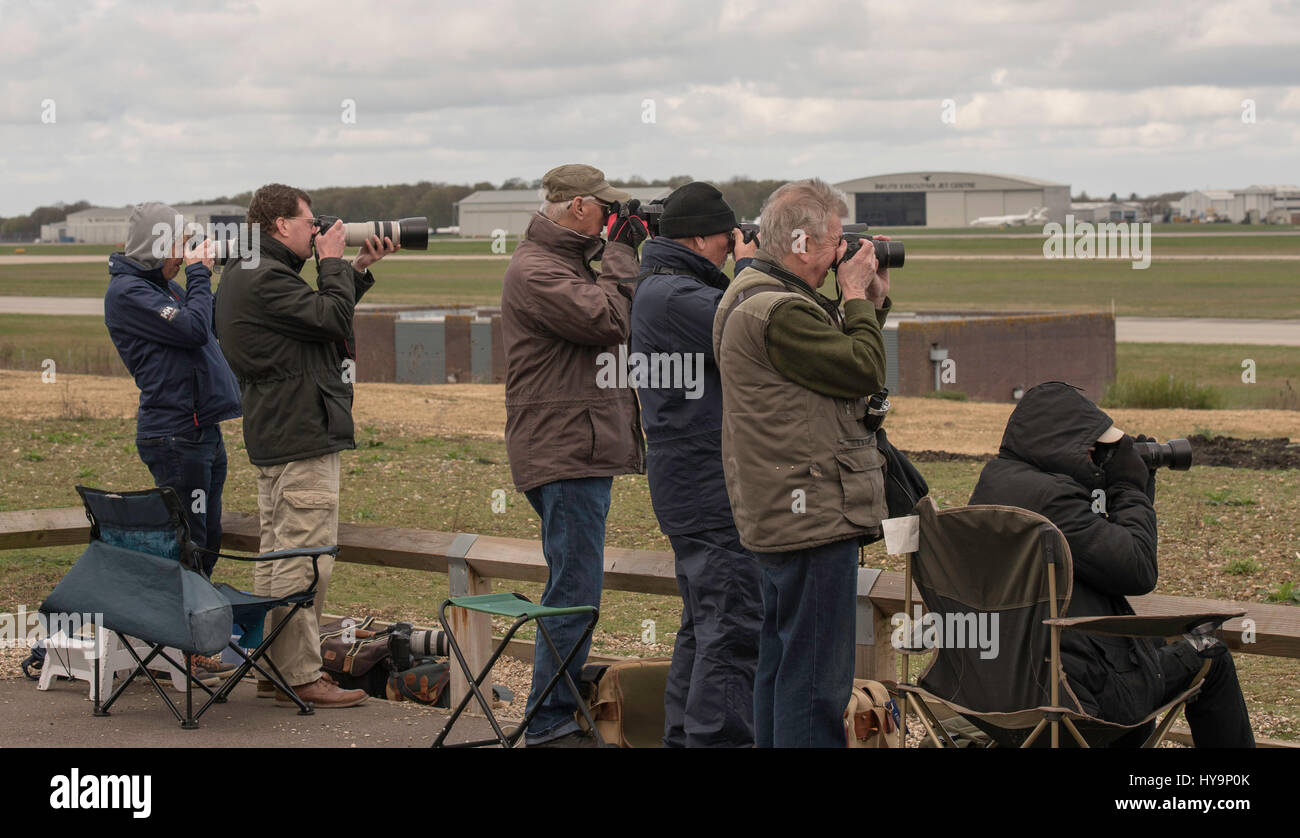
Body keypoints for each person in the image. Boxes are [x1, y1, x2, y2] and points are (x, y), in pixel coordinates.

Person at [968, 381, 1254, 747]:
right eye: (1095, 450)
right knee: (1210, 653)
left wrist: (1132, 494)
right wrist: (1130, 489)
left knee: (1140, 669)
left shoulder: (993, 484)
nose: (1096, 457)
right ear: (1069, 446)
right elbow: (1137, 571)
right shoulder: (1055, 501)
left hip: (990, 690)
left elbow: (1102, 561)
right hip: (1072, 696)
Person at [712, 178, 893, 748]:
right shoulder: (778, 311)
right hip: (811, 516)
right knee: (816, 679)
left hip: (784, 510)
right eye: (836, 242)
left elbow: (833, 360)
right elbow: (863, 368)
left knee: (784, 663)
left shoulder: (760, 295)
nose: (844, 253)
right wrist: (857, 297)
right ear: (798, 242)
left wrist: (871, 301)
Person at [214, 183, 397, 709]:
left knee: (278, 554)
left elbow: (313, 323)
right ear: (280, 225)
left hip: (278, 430)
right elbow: (331, 319)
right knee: (307, 559)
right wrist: (333, 263)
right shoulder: (265, 277)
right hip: (300, 432)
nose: (316, 229)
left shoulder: (248, 273)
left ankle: (275, 669)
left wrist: (355, 269)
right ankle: (299, 673)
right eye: (308, 221)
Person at [500, 164, 645, 747]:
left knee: (575, 583)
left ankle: (556, 709)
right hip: (564, 451)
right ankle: (549, 719)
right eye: (604, 209)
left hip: (572, 446)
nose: (611, 219)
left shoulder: (561, 263)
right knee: (574, 588)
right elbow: (610, 319)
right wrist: (621, 254)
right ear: (579, 206)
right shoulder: (537, 269)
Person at [629, 182, 762, 747]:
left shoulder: (664, 287)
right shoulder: (674, 296)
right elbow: (756, 329)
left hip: (692, 480)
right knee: (732, 628)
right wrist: (757, 271)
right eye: (728, 239)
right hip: (706, 484)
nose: (733, 249)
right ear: (704, 237)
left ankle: (686, 739)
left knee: (706, 627)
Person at [105, 202, 242, 679]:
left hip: (200, 427)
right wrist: (201, 277)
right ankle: (185, 646)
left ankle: (192, 640)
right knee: (190, 542)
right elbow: (190, 329)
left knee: (206, 538)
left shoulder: (160, 288)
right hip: (175, 433)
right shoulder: (128, 294)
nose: (185, 257)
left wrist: (212, 279)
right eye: (180, 247)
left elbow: (207, 329)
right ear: (156, 247)